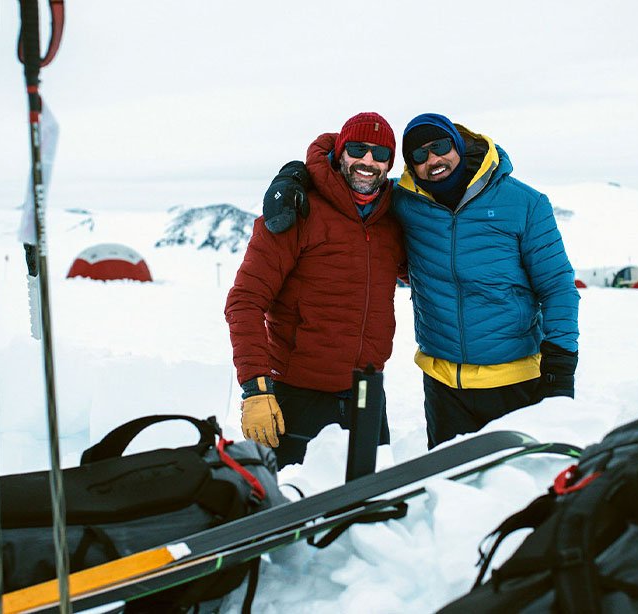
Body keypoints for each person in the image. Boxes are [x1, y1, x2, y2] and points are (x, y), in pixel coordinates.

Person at [262, 113, 580, 449]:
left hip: (516, 383)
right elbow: (347, 181)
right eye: (419, 155)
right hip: (444, 389)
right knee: (449, 492)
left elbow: (558, 287)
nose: (433, 160)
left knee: (520, 490)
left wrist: (559, 370)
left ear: (458, 145)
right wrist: (293, 175)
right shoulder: (404, 201)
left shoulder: (525, 204)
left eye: (440, 147)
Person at [225, 112, 406, 467]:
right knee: (293, 509)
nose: (368, 162)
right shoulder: (296, 209)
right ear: (340, 153)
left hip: (367, 394)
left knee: (368, 511)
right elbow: (244, 301)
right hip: (296, 397)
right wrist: (256, 389)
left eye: (380, 154)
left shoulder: (392, 220)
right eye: (357, 149)